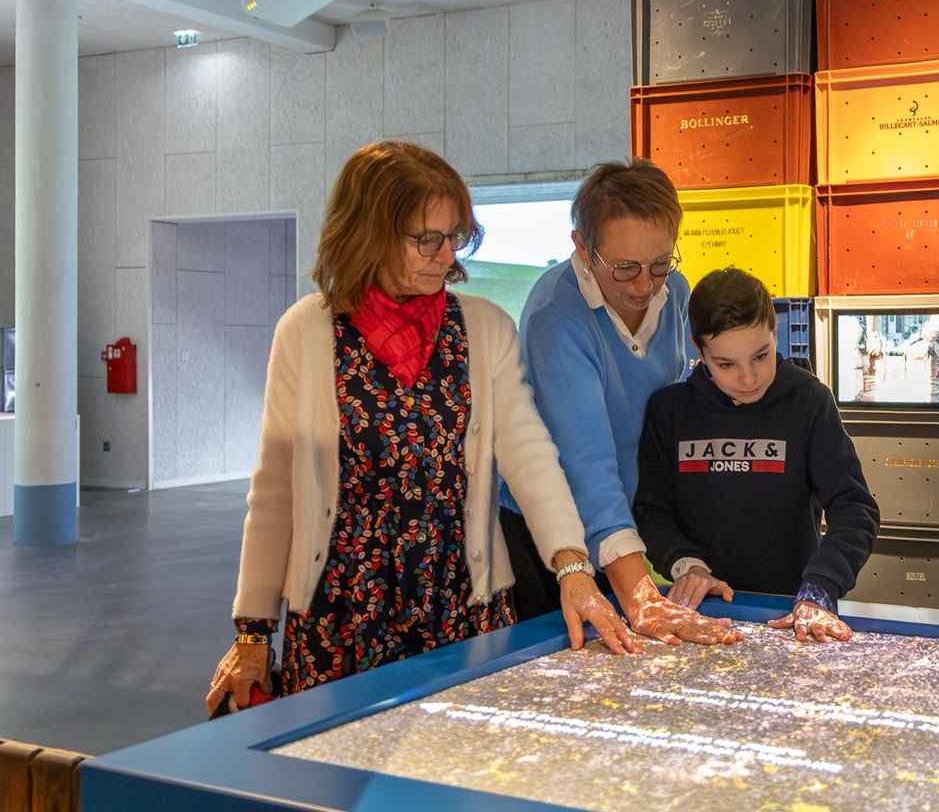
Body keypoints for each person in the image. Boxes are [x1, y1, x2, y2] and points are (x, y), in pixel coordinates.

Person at [206, 141, 635, 716]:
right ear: (369, 233)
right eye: (426, 239)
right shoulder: (305, 332)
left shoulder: (484, 329)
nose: (445, 255)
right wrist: (253, 632)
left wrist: (572, 566)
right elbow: (275, 490)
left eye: (455, 236)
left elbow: (530, 458)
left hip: (462, 611)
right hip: (340, 620)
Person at [502, 159, 741, 646]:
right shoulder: (556, 317)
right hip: (549, 534)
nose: (643, 285)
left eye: (659, 264)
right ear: (582, 248)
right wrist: (639, 595)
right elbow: (586, 463)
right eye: (625, 268)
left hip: (624, 522)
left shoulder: (675, 293)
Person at [633, 268, 880, 642]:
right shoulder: (669, 411)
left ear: (774, 332)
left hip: (791, 611)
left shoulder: (809, 401)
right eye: (726, 364)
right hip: (700, 613)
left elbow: (854, 508)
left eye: (760, 356)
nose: (748, 378)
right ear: (699, 350)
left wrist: (822, 586)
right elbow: (651, 511)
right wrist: (686, 565)